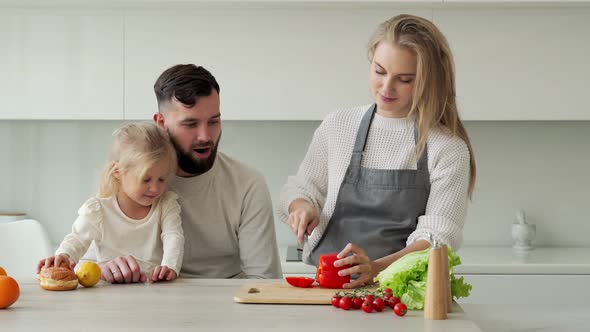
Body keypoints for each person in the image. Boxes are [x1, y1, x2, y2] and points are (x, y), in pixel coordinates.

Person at [278, 14, 476, 288]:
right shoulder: (338, 125)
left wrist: (376, 268)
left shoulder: (447, 148)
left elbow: (437, 238)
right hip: (328, 286)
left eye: (404, 79)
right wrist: (301, 207)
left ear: (430, 81)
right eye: (379, 71)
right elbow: (301, 188)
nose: (386, 87)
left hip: (402, 291)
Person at [152, 64, 282, 279]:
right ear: (161, 123)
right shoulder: (136, 182)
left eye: (213, 121)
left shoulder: (248, 184)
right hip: (157, 303)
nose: (205, 136)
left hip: (230, 305)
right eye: (190, 124)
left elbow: (263, 281)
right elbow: (92, 261)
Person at [37, 122, 184, 283]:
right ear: (118, 172)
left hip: (153, 288)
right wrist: (63, 256)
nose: (155, 188)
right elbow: (76, 240)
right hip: (108, 290)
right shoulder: (98, 210)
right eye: (146, 179)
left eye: (161, 179)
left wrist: (169, 267)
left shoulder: (166, 204)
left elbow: (173, 236)